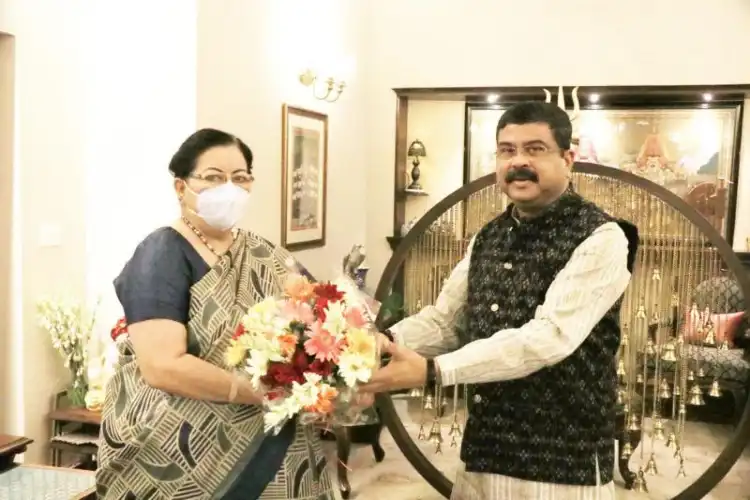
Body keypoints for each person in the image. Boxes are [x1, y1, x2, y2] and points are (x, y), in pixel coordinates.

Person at [361, 101, 639, 499]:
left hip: (561, 467)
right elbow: (446, 321)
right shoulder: (488, 236)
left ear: (568, 158)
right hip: (485, 453)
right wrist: (377, 343)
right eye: (507, 150)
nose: (518, 161)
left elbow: (550, 337)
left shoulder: (602, 237)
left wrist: (433, 371)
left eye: (535, 149)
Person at [96, 129, 335, 500]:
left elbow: (325, 319)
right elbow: (162, 366)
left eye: (240, 179)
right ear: (180, 187)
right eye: (213, 178)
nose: (230, 189)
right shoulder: (162, 253)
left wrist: (333, 372)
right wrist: (265, 394)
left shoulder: (263, 253)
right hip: (179, 450)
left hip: (276, 445)